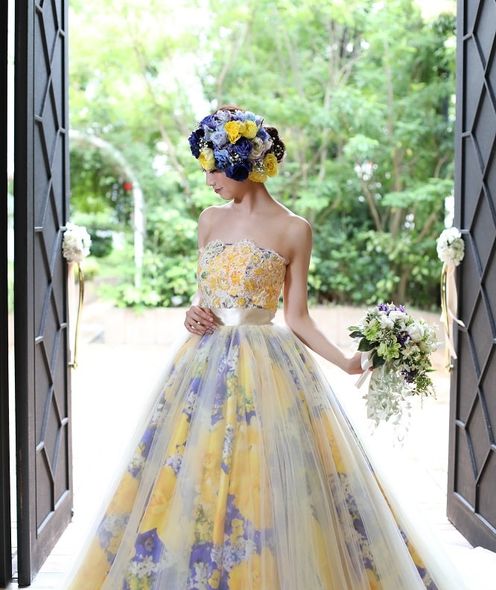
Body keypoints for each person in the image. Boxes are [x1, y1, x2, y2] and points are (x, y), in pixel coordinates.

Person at [64, 106, 437, 589]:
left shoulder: (294, 229)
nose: (208, 181)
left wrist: (348, 363)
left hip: (266, 370)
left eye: (214, 169)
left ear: (239, 161)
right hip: (202, 365)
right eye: (205, 170)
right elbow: (205, 297)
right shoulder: (208, 221)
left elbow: (297, 317)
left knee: (269, 478)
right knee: (187, 474)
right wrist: (192, 314)